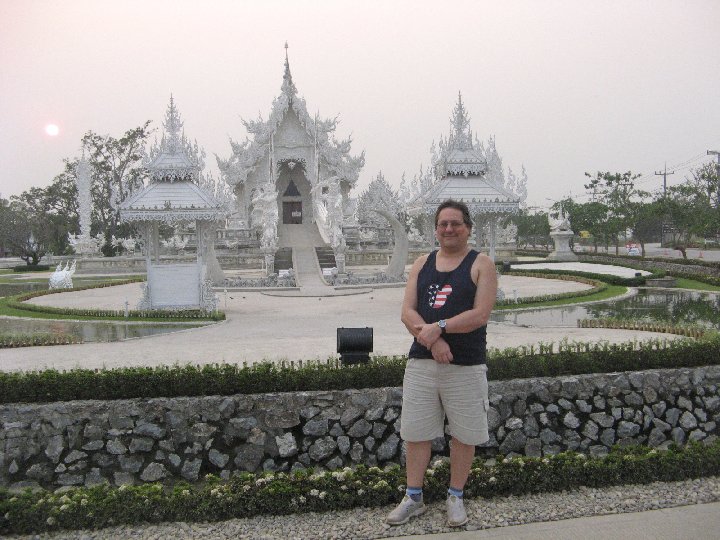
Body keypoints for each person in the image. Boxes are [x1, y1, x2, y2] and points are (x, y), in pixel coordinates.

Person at [386, 199, 497, 527]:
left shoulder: (481, 264)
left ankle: (456, 495)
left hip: (465, 364)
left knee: (463, 434)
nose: (449, 229)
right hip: (422, 362)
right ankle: (413, 496)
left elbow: (480, 314)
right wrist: (433, 340)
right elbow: (407, 311)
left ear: (468, 228)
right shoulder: (422, 263)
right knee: (416, 431)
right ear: (435, 229)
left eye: (456, 223)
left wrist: (442, 327)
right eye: (443, 224)